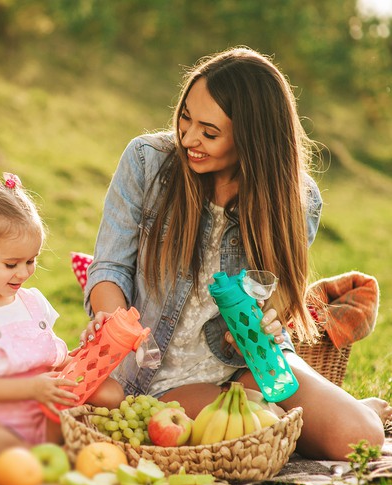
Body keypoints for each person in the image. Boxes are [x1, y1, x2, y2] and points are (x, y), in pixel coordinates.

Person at [81, 47, 390, 461]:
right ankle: (281, 418)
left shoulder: (297, 200)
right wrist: (111, 323)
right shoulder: (146, 162)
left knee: (359, 437)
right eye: (185, 118)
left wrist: (269, 323)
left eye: (209, 132)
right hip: (154, 375)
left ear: (252, 138)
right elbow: (110, 267)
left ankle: (311, 412)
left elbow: (276, 301)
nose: (189, 138)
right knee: (241, 437)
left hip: (249, 365)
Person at [0, 173, 124, 458]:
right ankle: (35, 456)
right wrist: (32, 388)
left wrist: (92, 348)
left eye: (31, 261)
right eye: (11, 264)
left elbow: (58, 361)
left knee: (110, 393)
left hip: (48, 413)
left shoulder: (33, 302)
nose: (24, 273)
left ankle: (52, 452)